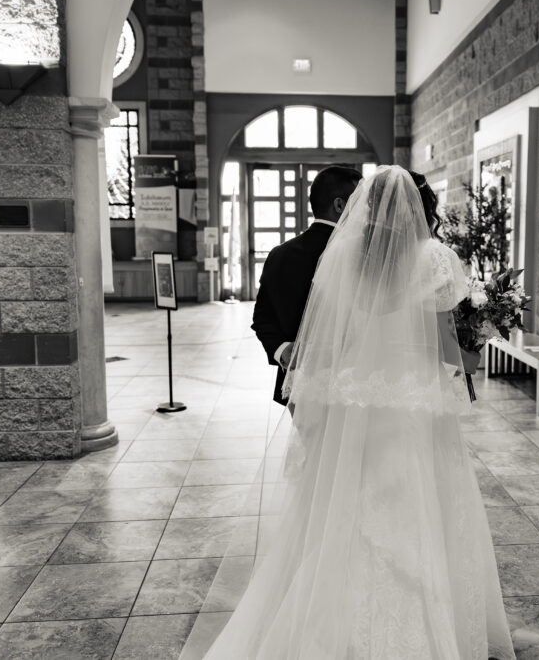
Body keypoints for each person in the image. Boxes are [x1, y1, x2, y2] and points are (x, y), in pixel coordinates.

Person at [204, 166, 515, 659]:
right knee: (417, 510)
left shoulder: (346, 257)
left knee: (352, 507)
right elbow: (446, 348)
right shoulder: (434, 258)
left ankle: (332, 624)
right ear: (419, 207)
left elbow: (338, 337)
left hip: (358, 405)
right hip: (413, 407)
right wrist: (476, 343)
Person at [251, 165, 362, 407]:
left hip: (298, 385)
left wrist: (282, 350)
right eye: (362, 202)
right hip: (355, 384)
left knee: (309, 445)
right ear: (340, 206)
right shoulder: (362, 254)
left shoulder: (280, 254)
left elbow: (262, 318)